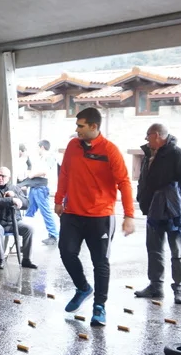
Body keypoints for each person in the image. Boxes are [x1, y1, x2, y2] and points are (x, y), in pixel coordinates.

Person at [55, 108, 135, 327]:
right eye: (77, 125)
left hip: (100, 217)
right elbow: (65, 173)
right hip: (72, 213)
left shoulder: (110, 150)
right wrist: (59, 199)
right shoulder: (72, 146)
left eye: (80, 126)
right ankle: (83, 288)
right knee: (66, 252)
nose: (77, 130)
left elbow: (124, 183)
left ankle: (99, 306)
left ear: (94, 126)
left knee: (100, 263)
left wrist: (129, 215)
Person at [135, 123, 181, 305]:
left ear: (156, 135)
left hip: (173, 212)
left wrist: (173, 195)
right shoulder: (148, 154)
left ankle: (179, 290)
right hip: (152, 209)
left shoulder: (178, 154)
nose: (146, 139)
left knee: (177, 252)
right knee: (154, 249)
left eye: (148, 135)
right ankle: (156, 287)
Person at [0, 167, 37, 270]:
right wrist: (11, 200)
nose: (0, 178)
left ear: (9, 178)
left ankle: (26, 259)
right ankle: (1, 259)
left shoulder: (15, 188)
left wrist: (15, 195)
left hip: (14, 221)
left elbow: (26, 204)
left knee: (29, 229)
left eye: (3, 176)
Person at [26, 140, 59, 246]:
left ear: (42, 147)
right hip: (35, 186)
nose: (37, 149)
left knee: (45, 211)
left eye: (38, 147)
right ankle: (25, 234)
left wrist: (31, 175)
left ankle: (53, 235)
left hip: (41, 187)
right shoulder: (42, 158)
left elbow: (45, 171)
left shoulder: (49, 157)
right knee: (29, 211)